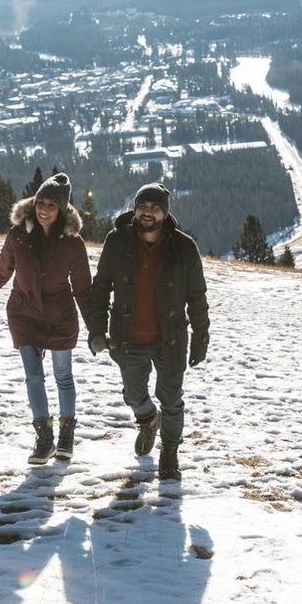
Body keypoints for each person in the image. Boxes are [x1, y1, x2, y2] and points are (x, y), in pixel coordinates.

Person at [81, 182, 209, 482]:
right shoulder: (117, 241)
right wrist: (96, 330)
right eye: (143, 205)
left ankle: (169, 454)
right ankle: (148, 419)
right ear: (134, 207)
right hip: (128, 338)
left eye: (155, 207)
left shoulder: (184, 247)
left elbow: (197, 297)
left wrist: (201, 336)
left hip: (171, 340)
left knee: (172, 399)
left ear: (164, 213)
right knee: (133, 396)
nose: (147, 211)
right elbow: (100, 289)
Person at [0, 172, 92, 464]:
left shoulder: (72, 243)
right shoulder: (18, 235)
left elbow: (83, 289)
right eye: (41, 201)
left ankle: (66, 436)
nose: (44, 209)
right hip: (24, 314)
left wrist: (98, 329)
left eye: (52, 204)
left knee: (63, 377)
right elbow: (2, 271)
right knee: (34, 377)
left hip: (60, 316)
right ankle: (45, 437)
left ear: (62, 209)